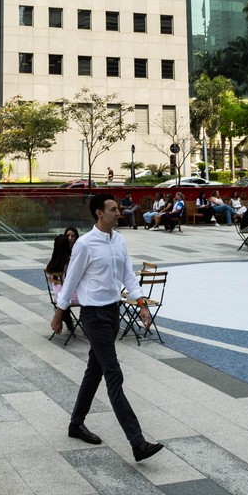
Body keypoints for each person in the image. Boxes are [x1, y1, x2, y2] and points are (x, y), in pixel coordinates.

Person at [49, 195, 164, 463]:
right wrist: (59, 314)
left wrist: (141, 304)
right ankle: (137, 442)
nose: (118, 212)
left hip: (112, 312)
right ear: (99, 213)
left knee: (94, 371)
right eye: (113, 209)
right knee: (113, 373)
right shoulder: (85, 245)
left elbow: (128, 276)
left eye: (117, 208)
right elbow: (70, 281)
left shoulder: (119, 241)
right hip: (93, 316)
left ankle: (76, 424)